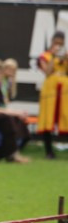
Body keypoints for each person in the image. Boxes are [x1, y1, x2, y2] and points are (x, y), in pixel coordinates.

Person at [37, 31, 68, 159]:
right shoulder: (45, 56)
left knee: (66, 116)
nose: (58, 46)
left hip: (65, 89)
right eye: (56, 43)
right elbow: (47, 72)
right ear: (52, 41)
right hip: (50, 90)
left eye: (61, 44)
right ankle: (49, 151)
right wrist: (54, 57)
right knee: (47, 118)